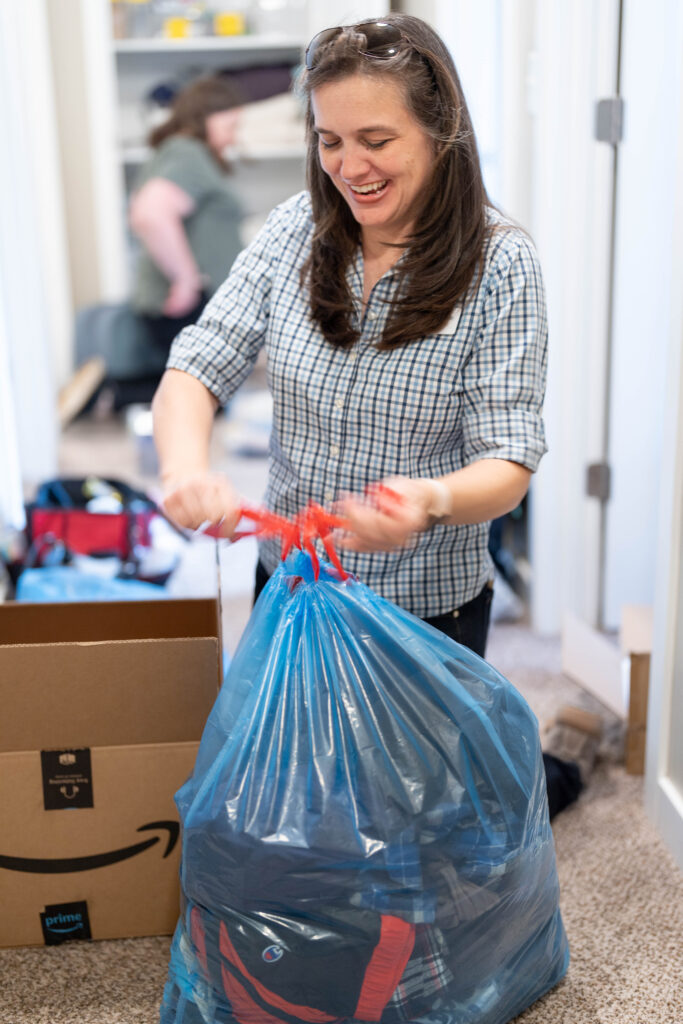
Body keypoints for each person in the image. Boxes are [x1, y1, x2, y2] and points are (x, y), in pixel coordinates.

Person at [152, 15, 601, 816]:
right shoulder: (296, 227)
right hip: (293, 584)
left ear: (440, 130)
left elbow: (508, 460)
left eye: (375, 139)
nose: (348, 167)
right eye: (328, 140)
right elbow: (197, 363)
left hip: (426, 606)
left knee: (428, 818)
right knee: (299, 803)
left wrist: (428, 500)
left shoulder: (501, 266)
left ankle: (558, 761)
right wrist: (184, 469)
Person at [59, 75, 246, 423]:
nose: (235, 135)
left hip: (187, 300)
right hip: (190, 301)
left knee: (198, 397)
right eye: (231, 124)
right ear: (206, 116)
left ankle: (116, 391)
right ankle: (116, 392)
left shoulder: (177, 152)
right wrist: (186, 280)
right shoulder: (188, 153)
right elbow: (150, 211)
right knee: (201, 402)